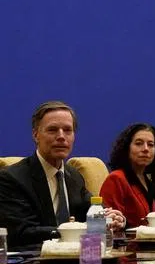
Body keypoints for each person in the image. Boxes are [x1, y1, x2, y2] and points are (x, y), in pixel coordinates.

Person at [0, 101, 125, 247]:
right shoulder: (12, 178)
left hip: (76, 259)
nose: (61, 136)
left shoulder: (73, 175)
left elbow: (95, 210)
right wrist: (81, 229)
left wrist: (112, 218)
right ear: (35, 135)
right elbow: (21, 232)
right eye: (52, 130)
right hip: (33, 262)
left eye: (67, 130)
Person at [99, 123, 155, 228]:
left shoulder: (147, 179)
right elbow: (111, 224)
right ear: (127, 148)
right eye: (139, 143)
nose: (145, 149)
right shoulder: (116, 179)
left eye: (151, 144)